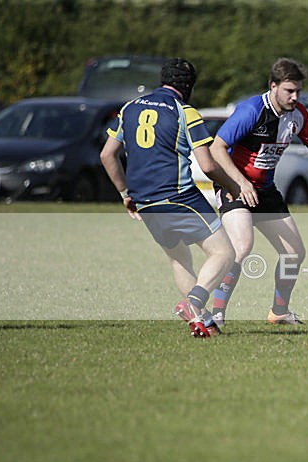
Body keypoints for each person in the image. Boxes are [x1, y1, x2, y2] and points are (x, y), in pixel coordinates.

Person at [100, 58, 257, 338]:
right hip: (178, 197)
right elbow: (208, 166)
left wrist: (125, 193)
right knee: (224, 253)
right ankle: (194, 302)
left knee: (179, 260)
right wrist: (232, 186)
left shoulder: (129, 108)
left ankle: (203, 322)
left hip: (145, 202)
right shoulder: (185, 112)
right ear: (189, 87)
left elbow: (107, 154)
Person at [209, 58, 308, 327]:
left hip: (265, 191)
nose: (295, 96)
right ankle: (217, 314)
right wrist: (240, 184)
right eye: (289, 90)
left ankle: (279, 311)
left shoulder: (298, 114)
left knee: (294, 253)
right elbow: (217, 148)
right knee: (241, 247)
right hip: (234, 187)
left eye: (298, 91)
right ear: (273, 86)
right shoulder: (252, 110)